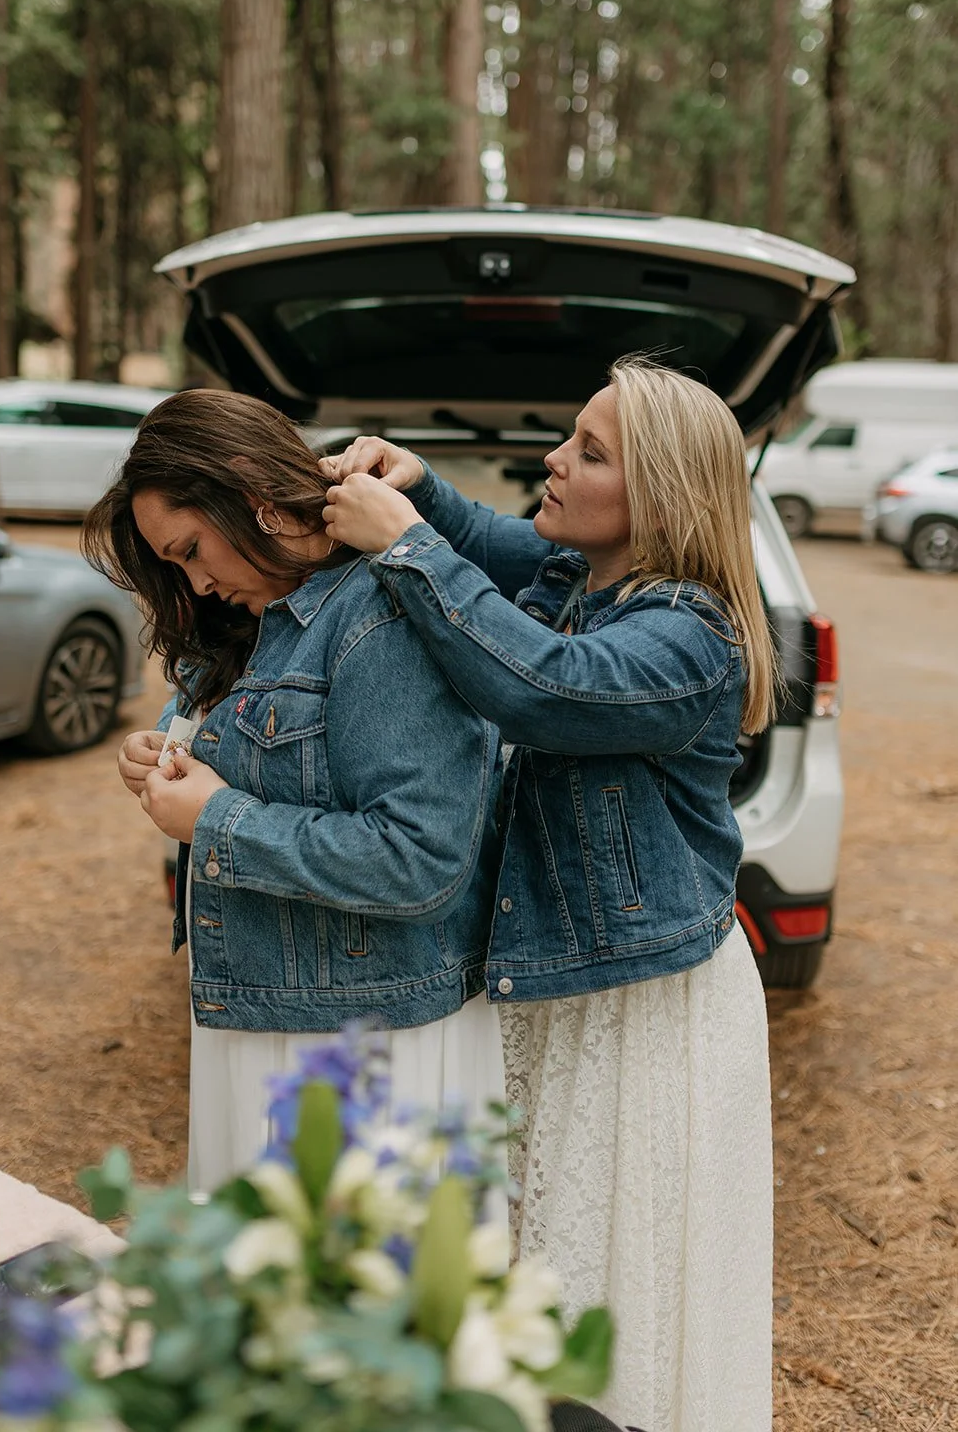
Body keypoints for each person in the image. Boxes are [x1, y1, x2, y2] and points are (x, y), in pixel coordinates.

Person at [320, 356, 775, 1432]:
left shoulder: (688, 635)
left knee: (610, 1282)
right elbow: (502, 546)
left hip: (649, 1006)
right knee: (538, 1266)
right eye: (568, 438)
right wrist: (425, 493)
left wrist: (404, 542)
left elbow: (536, 685)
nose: (551, 461)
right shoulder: (587, 575)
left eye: (587, 450)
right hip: (570, 985)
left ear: (657, 497)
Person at [81, 389, 504, 1198]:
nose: (197, 585)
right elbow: (265, 735)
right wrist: (170, 745)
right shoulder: (267, 614)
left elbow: (420, 859)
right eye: (175, 565)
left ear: (253, 497)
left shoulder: (379, 619)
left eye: (193, 548)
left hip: (361, 1047)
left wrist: (214, 818)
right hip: (272, 1017)